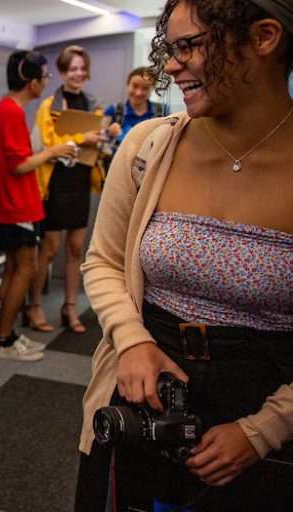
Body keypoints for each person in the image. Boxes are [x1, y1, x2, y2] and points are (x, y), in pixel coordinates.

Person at [75, 1, 293, 510]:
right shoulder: (149, 147)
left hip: (265, 399)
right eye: (168, 50)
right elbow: (103, 261)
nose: (170, 67)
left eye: (190, 46)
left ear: (263, 38)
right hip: (144, 392)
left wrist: (267, 427)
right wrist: (130, 342)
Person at [0, 50, 77, 362]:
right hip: (16, 207)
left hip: (12, 206)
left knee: (14, 268)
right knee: (25, 269)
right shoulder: (12, 112)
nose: (45, 83)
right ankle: (3, 339)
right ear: (32, 82)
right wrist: (53, 151)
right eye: (45, 77)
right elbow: (19, 166)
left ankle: (7, 334)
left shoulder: (7, 107)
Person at [26, 45, 108, 335]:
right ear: (62, 72)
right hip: (55, 181)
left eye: (82, 68)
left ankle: (69, 307)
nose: (78, 73)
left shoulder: (93, 104)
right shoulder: (50, 105)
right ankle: (34, 306)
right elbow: (50, 144)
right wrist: (83, 137)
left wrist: (102, 138)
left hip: (81, 178)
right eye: (72, 68)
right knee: (49, 249)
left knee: (76, 248)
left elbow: (95, 145)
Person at [101, 66, 161, 167]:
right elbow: (99, 138)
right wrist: (108, 134)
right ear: (127, 85)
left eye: (145, 88)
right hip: (117, 167)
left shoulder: (161, 113)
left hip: (149, 168)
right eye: (135, 86)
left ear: (152, 89)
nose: (138, 92)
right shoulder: (113, 110)